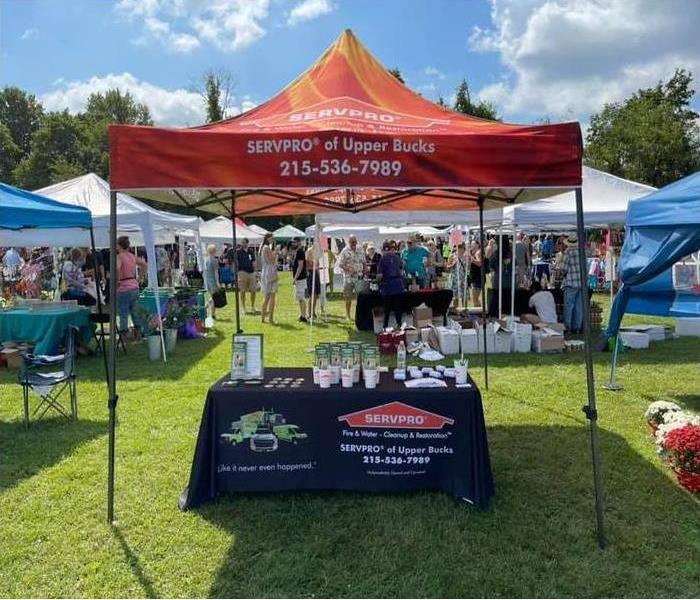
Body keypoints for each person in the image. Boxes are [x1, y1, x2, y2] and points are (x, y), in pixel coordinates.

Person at [116, 236, 147, 335]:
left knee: (123, 312)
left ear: (119, 245)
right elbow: (145, 265)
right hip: (134, 285)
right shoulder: (132, 256)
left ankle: (124, 336)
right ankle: (138, 334)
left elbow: (117, 268)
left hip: (124, 286)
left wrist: (117, 280)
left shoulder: (119, 256)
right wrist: (141, 278)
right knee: (135, 312)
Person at [377, 240, 406, 328]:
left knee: (387, 309)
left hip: (388, 286)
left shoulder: (382, 259)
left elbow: (380, 275)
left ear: (384, 249)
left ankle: (385, 327)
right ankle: (399, 325)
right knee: (398, 308)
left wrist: (377, 280)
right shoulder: (397, 257)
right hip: (398, 286)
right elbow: (402, 268)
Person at [337, 235, 365, 321]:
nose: (354, 244)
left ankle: (359, 315)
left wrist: (365, 270)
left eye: (355, 242)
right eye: (352, 242)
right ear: (349, 242)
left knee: (360, 297)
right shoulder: (345, 251)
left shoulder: (360, 249)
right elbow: (340, 264)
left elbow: (364, 261)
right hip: (348, 278)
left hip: (359, 277)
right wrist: (348, 269)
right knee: (348, 297)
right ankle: (348, 315)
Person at [560, 234, 584, 333]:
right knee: (579, 306)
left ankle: (568, 327)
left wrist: (563, 275)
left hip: (570, 282)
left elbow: (563, 269)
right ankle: (577, 327)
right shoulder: (582, 252)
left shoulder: (567, 252)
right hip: (581, 283)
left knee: (569, 306)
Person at [259, 233, 278, 324]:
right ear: (268, 238)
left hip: (268, 273)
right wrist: (276, 251)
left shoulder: (265, 247)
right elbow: (271, 260)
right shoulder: (266, 247)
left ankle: (266, 318)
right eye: (272, 238)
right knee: (269, 297)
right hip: (269, 274)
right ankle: (268, 318)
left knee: (269, 297)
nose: (273, 239)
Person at [236, 238, 257, 314]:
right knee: (242, 290)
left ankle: (252, 306)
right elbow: (236, 262)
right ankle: (243, 307)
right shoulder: (238, 251)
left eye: (244, 243)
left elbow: (254, 262)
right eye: (242, 242)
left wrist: (255, 272)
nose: (243, 244)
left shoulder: (251, 251)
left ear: (247, 243)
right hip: (242, 272)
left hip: (251, 272)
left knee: (253, 290)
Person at [291, 237, 308, 322]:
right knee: (299, 298)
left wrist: (295, 278)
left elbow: (300, 266)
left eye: (294, 242)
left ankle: (304, 316)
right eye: (292, 242)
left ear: (298, 243)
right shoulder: (297, 252)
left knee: (301, 298)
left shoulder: (300, 252)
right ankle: (302, 315)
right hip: (299, 278)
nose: (293, 244)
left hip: (300, 278)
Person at [447, 242, 468, 308]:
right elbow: (447, 267)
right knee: (455, 296)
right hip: (455, 278)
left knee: (464, 296)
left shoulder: (466, 256)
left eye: (461, 248)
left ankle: (465, 310)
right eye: (458, 248)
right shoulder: (452, 256)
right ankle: (456, 311)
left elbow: (469, 267)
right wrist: (451, 265)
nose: (459, 250)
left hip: (463, 278)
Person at [204, 244, 221, 319]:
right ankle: (212, 314)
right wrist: (218, 283)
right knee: (215, 298)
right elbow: (216, 273)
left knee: (212, 297)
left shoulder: (206, 260)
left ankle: (205, 307)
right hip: (213, 281)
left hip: (207, 281)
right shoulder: (214, 260)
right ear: (214, 251)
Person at [305, 243, 321, 319]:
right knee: (312, 294)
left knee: (316, 294)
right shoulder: (309, 250)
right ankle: (309, 313)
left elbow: (318, 263)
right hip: (311, 273)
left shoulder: (318, 251)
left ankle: (313, 312)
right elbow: (308, 263)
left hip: (316, 272)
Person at [469, 240, 483, 307]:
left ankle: (479, 313)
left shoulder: (478, 252)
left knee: (475, 298)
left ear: (478, 245)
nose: (471, 245)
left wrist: (472, 259)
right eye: (471, 244)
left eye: (473, 244)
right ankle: (479, 312)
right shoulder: (472, 253)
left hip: (478, 277)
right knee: (474, 298)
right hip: (474, 276)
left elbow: (480, 263)